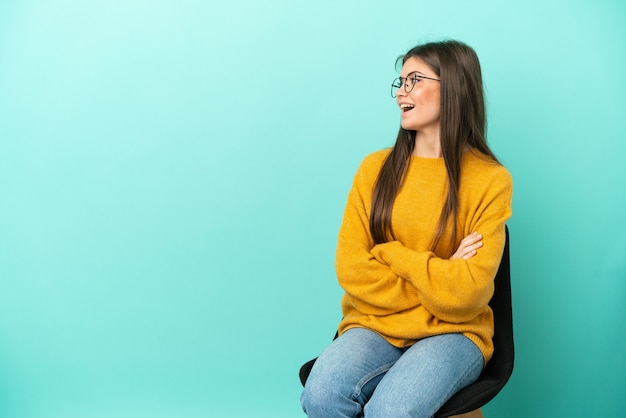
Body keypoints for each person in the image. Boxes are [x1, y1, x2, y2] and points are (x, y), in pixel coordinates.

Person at [300, 40, 513, 418]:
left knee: (393, 410)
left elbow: (468, 295)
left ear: (454, 88)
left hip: (455, 333)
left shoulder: (489, 180)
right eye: (400, 82)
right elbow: (352, 269)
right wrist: (443, 274)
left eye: (415, 80)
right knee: (321, 395)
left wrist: (391, 254)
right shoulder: (374, 170)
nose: (402, 92)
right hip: (373, 326)